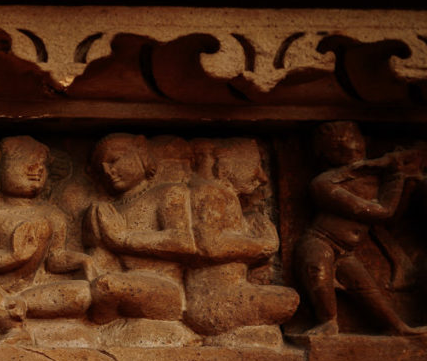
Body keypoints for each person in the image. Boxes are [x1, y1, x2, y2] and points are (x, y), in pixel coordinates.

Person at [296, 121, 425, 336]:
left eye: (356, 144)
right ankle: (328, 322)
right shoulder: (323, 183)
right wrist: (395, 176)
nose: (350, 149)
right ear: (324, 154)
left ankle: (398, 327)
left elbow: (389, 219)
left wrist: (402, 179)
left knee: (367, 290)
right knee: (318, 275)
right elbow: (381, 212)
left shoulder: (370, 180)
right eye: (338, 147)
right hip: (319, 242)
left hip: (346, 252)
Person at [0, 136, 93, 335]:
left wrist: (84, 261)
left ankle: (16, 309)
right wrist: (10, 257)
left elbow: (54, 259)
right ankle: (9, 314)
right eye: (25, 162)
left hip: (33, 293)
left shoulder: (52, 214)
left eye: (42, 165)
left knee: (83, 293)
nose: (37, 169)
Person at [184, 142, 299, 335]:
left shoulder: (222, 195)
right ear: (229, 162)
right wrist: (265, 245)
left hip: (224, 294)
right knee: (288, 300)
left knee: (284, 301)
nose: (262, 177)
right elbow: (210, 246)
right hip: (214, 300)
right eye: (255, 165)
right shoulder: (211, 192)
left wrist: (251, 227)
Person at [83, 133, 195, 323]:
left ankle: (102, 323)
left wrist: (123, 239)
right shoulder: (108, 209)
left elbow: (184, 242)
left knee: (107, 286)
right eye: (101, 169)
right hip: (115, 283)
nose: (108, 172)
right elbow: (102, 260)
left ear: (140, 154)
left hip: (163, 287)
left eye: (114, 160)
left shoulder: (168, 193)